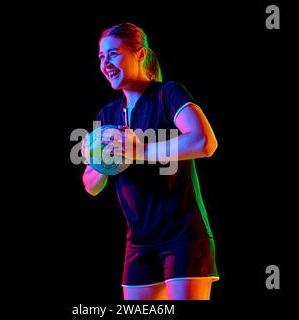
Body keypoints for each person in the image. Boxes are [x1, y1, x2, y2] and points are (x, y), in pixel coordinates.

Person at [81, 22, 219, 300]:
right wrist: (100, 160)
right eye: (101, 57)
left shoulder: (168, 94)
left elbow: (205, 142)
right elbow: (90, 186)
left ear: (140, 54)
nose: (105, 63)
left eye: (114, 54)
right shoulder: (107, 116)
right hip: (138, 244)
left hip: (183, 237)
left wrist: (139, 151)